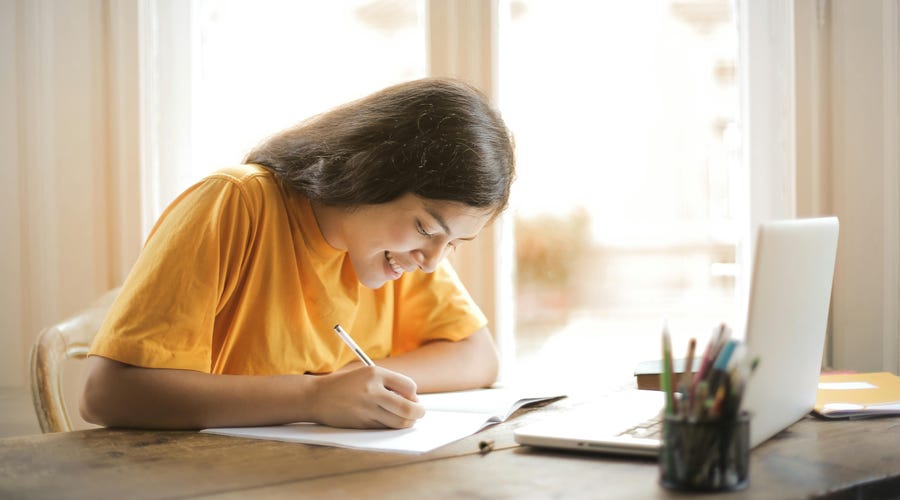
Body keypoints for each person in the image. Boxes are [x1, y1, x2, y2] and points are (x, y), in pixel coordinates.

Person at [80, 77, 516, 431]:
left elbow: (478, 356)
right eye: (425, 228)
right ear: (371, 174)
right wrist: (314, 397)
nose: (433, 261)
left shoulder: (402, 253)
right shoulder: (235, 203)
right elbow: (106, 394)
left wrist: (358, 384)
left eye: (453, 244)